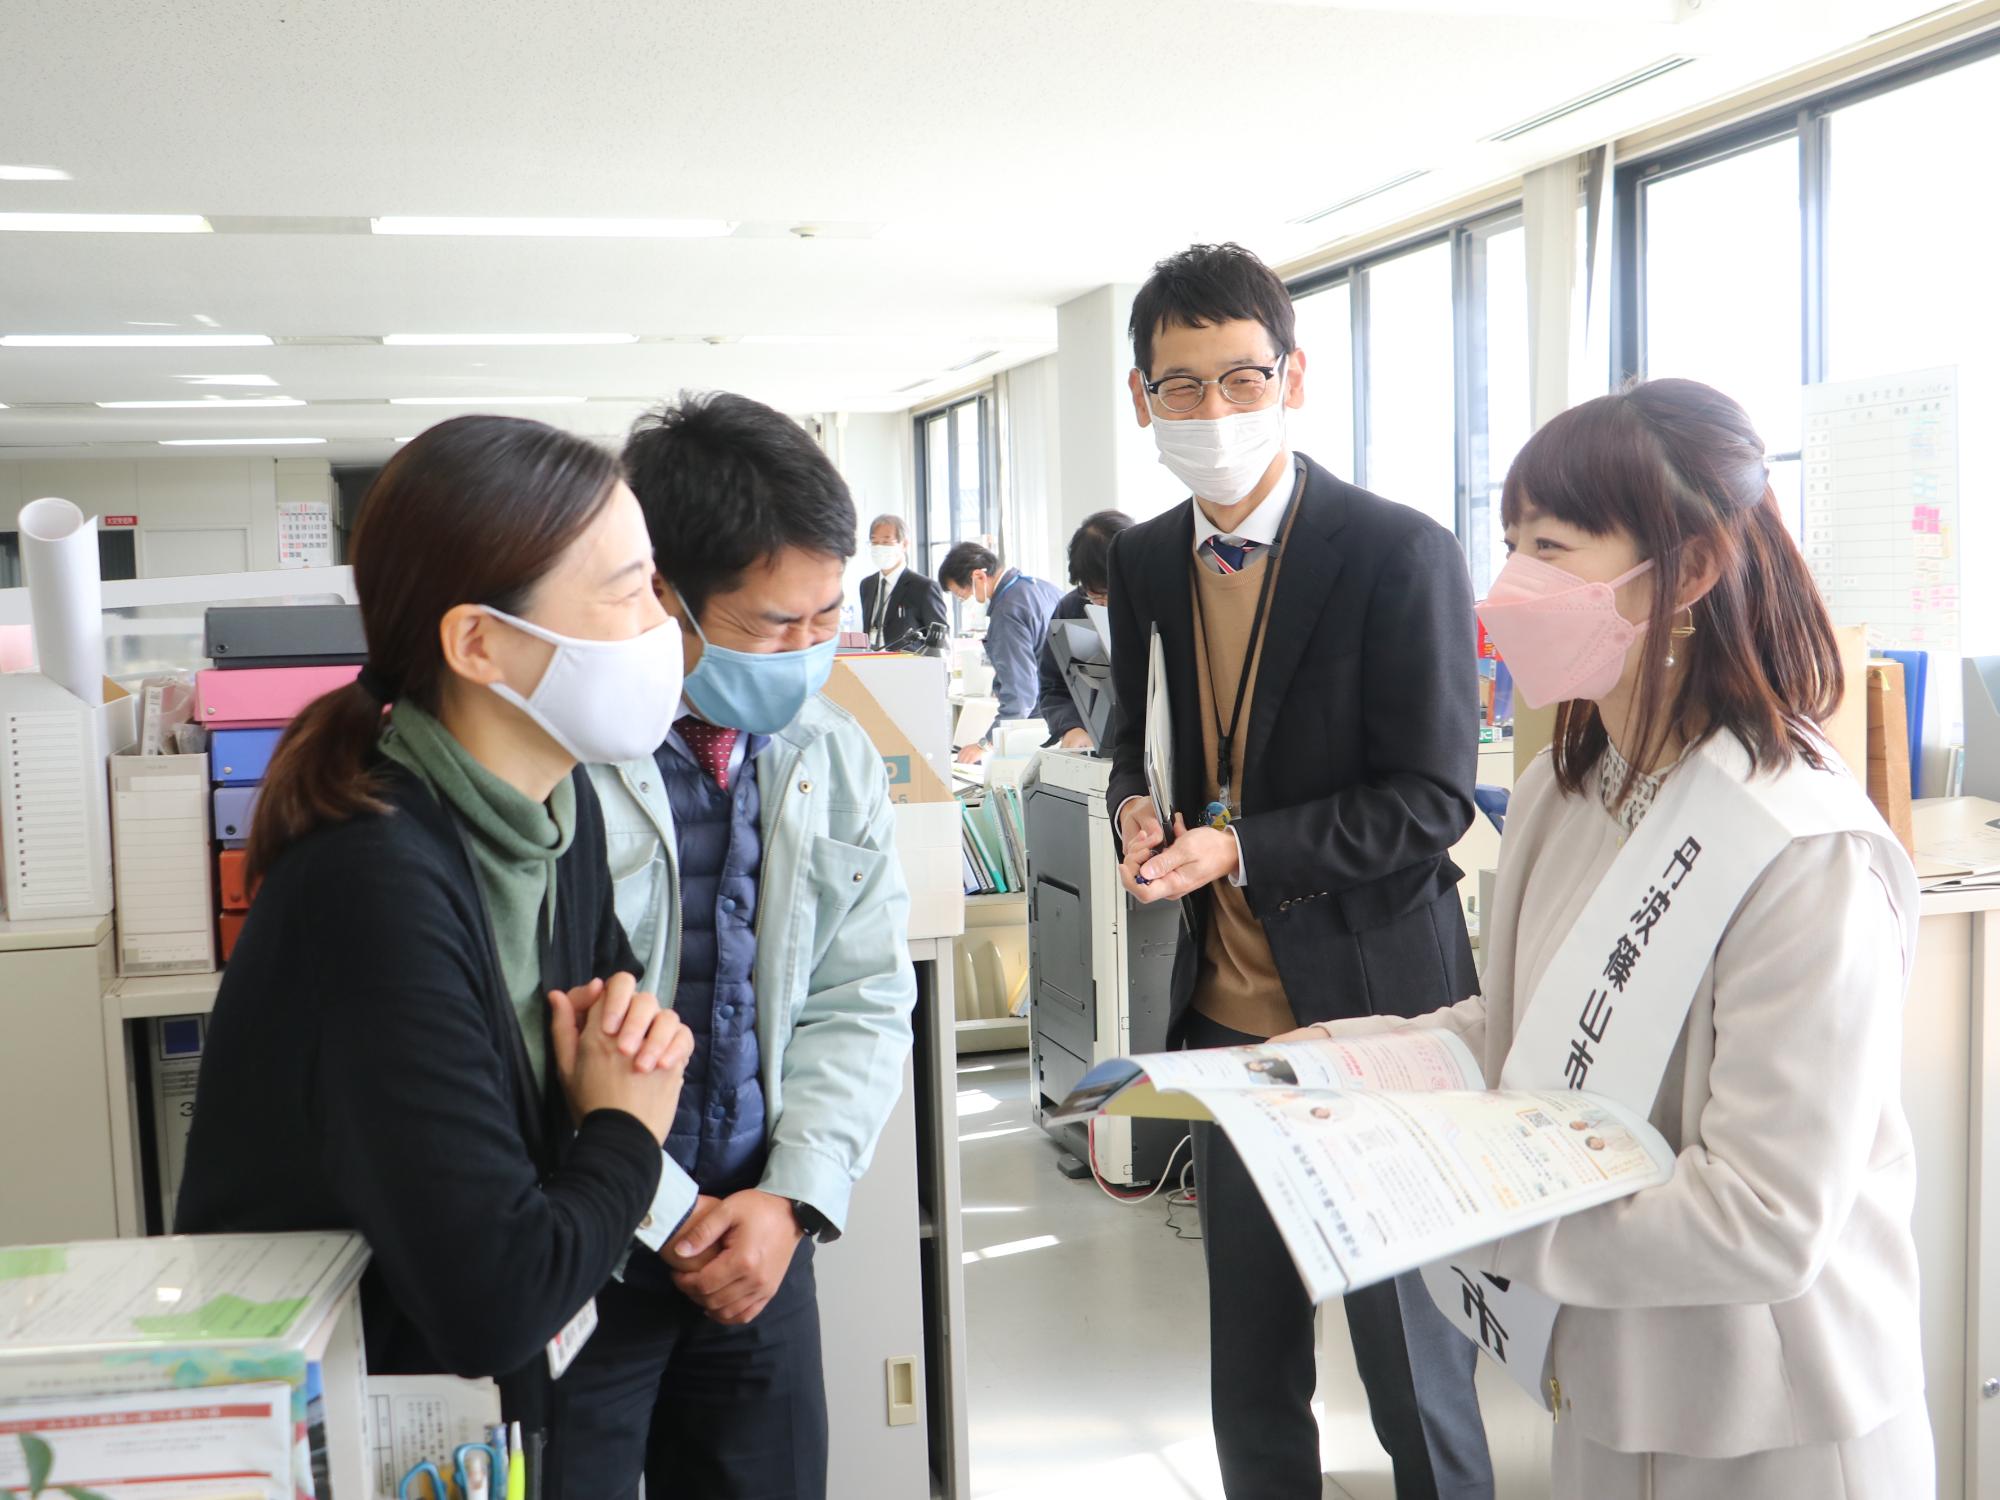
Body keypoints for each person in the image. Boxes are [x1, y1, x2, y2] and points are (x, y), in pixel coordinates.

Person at [1287, 379, 1933, 1498]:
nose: (1508, 588)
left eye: (1552, 547)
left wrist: (1468, 1214)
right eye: (1508, 545)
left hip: (1776, 1416)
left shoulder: (1800, 845)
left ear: (1686, 570)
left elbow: (1763, 1217)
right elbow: (1520, 1021)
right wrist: (1330, 1072)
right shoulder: (1561, 788)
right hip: (1601, 1373)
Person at [176, 416, 696, 1450]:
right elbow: (493, 1298)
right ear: (477, 643)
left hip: (479, 1419)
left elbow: (608, 1017)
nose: (662, 626)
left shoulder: (562, 800)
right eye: (626, 591)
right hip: (344, 1423)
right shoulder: (370, 885)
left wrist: (624, 1058)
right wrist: (627, 1128)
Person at [1104, 242, 1490, 1500]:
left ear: (1292, 376)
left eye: (1238, 379)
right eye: (1180, 387)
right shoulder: (1147, 561)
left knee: (1406, 1354)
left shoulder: (1397, 552)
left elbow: (1430, 803)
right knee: (1250, 1351)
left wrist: (1241, 846)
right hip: (1222, 1022)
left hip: (1376, 1007)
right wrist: (1129, 810)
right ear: (1140, 398)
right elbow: (1133, 733)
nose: (1211, 412)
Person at [569, 392, 919, 1500]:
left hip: (764, 1237)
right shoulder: (564, 759)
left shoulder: (831, 754)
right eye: (777, 625)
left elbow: (860, 995)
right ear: (661, 594)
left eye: (830, 616)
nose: (811, 651)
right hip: (589, 1243)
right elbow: (537, 1022)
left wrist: (789, 1201)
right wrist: (669, 1219)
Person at [939, 541, 1062, 762]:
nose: (963, 602)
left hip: (1039, 727)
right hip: (1069, 718)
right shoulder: (1040, 588)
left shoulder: (1007, 612)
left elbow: (1020, 697)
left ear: (978, 577)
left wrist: (984, 745)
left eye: (960, 595)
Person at [1036, 509, 1134, 750]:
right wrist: (1071, 727)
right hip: (1097, 748)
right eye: (1094, 595)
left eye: (1108, 593)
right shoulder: (1071, 609)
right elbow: (1053, 686)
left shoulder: (1165, 603)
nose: (1103, 604)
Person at [858, 513, 947, 649]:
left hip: (908, 666)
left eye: (886, 542)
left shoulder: (924, 587)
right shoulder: (867, 585)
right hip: (870, 662)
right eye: (874, 542)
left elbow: (939, 640)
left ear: (904, 544)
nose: (879, 547)